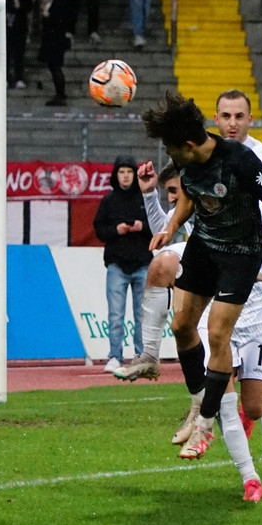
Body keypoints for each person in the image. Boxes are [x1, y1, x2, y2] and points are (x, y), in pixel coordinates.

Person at [119, 89, 262, 483]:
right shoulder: (196, 158)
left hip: (242, 263)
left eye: (239, 116)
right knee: (164, 270)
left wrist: (261, 269)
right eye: (225, 115)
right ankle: (177, 386)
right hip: (209, 255)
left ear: (249, 120)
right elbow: (179, 213)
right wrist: (156, 206)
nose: (232, 122)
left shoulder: (255, 159)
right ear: (215, 119)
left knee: (255, 404)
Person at [93, 155, 152, 372]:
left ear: (134, 175)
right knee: (115, 315)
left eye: (129, 171)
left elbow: (159, 226)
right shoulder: (108, 201)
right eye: (121, 172)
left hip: (143, 263)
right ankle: (115, 356)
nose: (125, 176)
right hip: (117, 264)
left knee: (142, 315)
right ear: (115, 175)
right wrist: (116, 230)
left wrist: (141, 226)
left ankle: (141, 356)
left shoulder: (145, 199)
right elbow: (99, 229)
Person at [38, 0, 71, 106]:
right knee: (55, 66)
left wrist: (46, 16)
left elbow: (54, 20)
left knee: (55, 67)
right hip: (56, 38)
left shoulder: (58, 0)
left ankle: (60, 94)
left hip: (55, 39)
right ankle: (60, 93)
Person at [0, 0, 33, 89]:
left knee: (19, 54)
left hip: (19, 27)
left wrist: (20, 6)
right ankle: (5, 78)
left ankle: (19, 77)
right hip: (6, 27)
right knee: (6, 54)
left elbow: (29, 5)